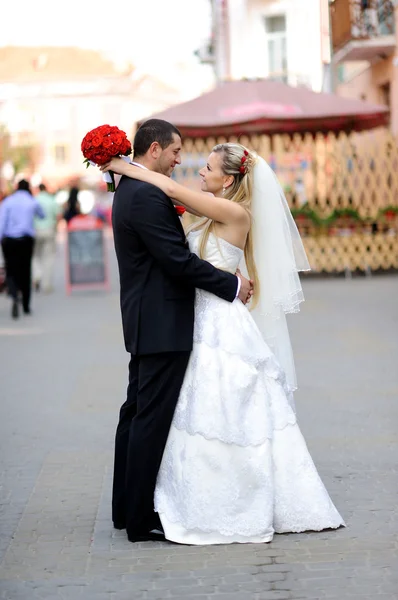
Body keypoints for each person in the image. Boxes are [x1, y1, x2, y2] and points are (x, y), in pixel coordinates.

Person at [102, 140, 345, 545]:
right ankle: (177, 496)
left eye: (208, 168)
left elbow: (174, 191)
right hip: (196, 320)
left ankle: (226, 497)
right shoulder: (209, 214)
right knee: (190, 412)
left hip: (219, 325)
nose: (198, 171)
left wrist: (125, 168)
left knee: (223, 409)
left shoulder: (234, 211)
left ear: (229, 179)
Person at [109, 119, 253, 543]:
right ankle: (137, 517)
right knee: (148, 419)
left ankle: (126, 508)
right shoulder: (147, 194)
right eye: (175, 152)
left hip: (149, 320)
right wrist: (231, 285)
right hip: (161, 323)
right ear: (154, 150)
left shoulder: (130, 189)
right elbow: (177, 261)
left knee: (135, 413)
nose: (180, 160)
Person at [0, 180, 45, 319]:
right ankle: (25, 305)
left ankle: (14, 294)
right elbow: (42, 215)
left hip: (9, 240)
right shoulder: (32, 201)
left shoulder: (8, 201)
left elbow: (2, 222)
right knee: (26, 271)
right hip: (26, 240)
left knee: (11, 269)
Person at [32, 183, 60, 293]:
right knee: (48, 258)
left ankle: (37, 275)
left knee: (35, 256)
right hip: (49, 230)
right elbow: (58, 216)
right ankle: (46, 284)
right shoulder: (51, 200)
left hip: (35, 231)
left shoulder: (34, 200)